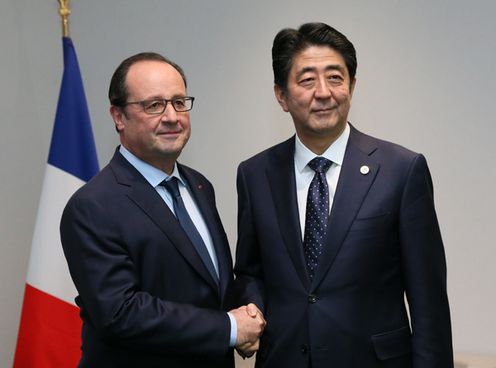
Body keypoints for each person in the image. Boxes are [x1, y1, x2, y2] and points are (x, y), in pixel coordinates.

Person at [234, 22, 453, 367]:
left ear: (352, 85)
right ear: (281, 95)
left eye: (335, 77)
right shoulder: (255, 174)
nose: (323, 92)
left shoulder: (401, 170)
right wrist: (252, 306)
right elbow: (250, 270)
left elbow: (429, 303)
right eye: (307, 80)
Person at [60, 52, 265, 367]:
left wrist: (250, 313)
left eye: (179, 102)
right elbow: (120, 313)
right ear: (118, 117)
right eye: (153, 105)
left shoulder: (198, 186)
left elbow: (212, 287)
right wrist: (230, 328)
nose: (172, 116)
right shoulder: (92, 206)